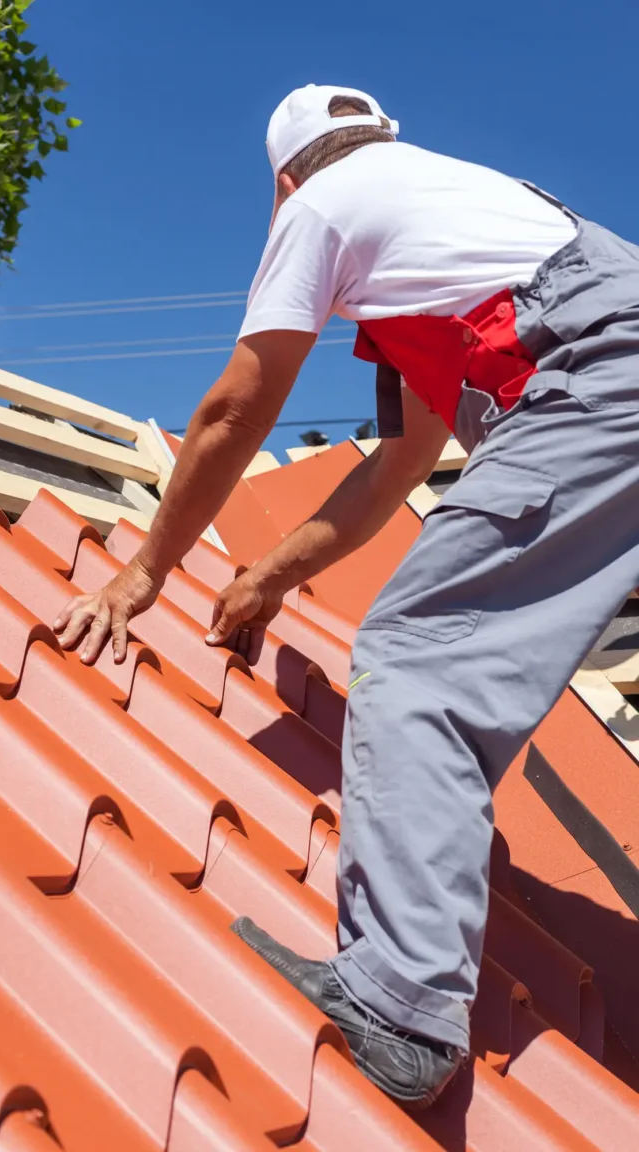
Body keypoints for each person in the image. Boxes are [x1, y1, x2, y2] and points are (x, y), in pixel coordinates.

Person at [54, 84, 639, 1109]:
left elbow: (238, 405)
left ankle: (401, 1007)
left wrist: (145, 571)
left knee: (417, 660)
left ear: (282, 181)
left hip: (598, 377)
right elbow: (401, 462)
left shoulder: (321, 207)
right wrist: (266, 576)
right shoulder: (449, 219)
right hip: (611, 373)